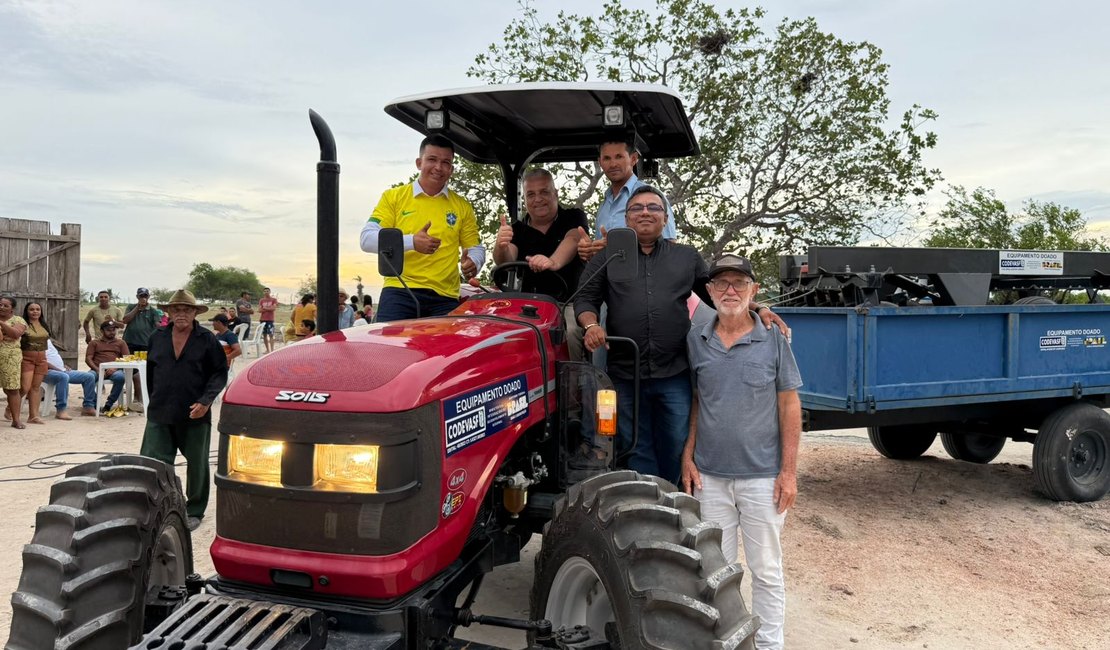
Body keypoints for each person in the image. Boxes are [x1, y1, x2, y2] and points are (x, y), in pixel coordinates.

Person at [575, 185, 783, 483]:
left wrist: (758, 308)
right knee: (634, 446)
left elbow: (718, 295)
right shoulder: (608, 256)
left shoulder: (686, 257)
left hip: (674, 373)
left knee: (677, 442)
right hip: (623, 373)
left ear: (665, 217)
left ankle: (677, 507)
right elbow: (586, 299)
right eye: (637, 208)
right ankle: (647, 509)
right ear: (626, 218)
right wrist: (591, 325)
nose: (645, 212)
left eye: (653, 207)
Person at [681, 254, 803, 650]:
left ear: (753, 291)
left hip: (762, 478)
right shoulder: (696, 339)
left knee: (766, 570)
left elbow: (789, 404)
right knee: (716, 571)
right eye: (721, 284)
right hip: (710, 477)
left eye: (739, 284)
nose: (730, 291)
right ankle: (726, 642)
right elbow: (700, 400)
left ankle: (768, 646)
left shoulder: (773, 338)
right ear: (710, 291)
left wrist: (788, 472)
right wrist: (688, 453)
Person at [360, 134, 486, 321]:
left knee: (449, 350)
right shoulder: (394, 197)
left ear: (451, 169)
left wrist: (473, 262)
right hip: (400, 291)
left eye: (446, 162)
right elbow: (366, 239)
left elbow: (475, 248)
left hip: (445, 298)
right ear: (419, 163)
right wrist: (412, 241)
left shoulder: (462, 206)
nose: (438, 167)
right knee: (389, 348)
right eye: (432, 160)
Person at [140, 289, 228, 531]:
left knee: (198, 463)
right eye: (176, 309)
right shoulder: (157, 337)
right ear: (168, 312)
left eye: (186, 310)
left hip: (194, 412)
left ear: (194, 313)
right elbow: (151, 374)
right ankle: (155, 505)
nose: (181, 314)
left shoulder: (206, 339)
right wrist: (155, 400)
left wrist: (206, 401)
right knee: (153, 462)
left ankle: (195, 510)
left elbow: (220, 372)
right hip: (160, 412)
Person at [492, 168, 589, 360]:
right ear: (524, 199)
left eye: (544, 192)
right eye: (531, 194)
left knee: (571, 332)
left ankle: (577, 383)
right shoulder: (517, 229)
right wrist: (501, 245)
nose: (538, 199)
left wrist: (553, 262)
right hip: (530, 306)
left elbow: (573, 239)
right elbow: (506, 259)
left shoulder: (573, 217)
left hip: (570, 302)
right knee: (500, 334)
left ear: (555, 193)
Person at [577, 139, 678, 263]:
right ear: (600, 162)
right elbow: (602, 257)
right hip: (609, 281)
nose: (613, 164)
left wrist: (615, 248)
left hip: (643, 281)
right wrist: (590, 251)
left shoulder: (653, 197)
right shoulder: (604, 205)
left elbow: (670, 249)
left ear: (634, 159)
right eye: (607, 158)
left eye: (619, 157)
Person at [121, 287, 163, 412]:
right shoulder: (131, 307)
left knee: (144, 370)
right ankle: (135, 397)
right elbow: (125, 320)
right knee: (131, 370)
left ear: (148, 297)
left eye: (145, 296)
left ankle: (143, 396)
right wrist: (137, 308)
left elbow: (157, 325)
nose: (143, 298)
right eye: (140, 296)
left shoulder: (153, 311)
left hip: (145, 344)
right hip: (129, 342)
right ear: (137, 297)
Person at [42, 339, 98, 417]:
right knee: (63, 377)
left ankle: (88, 406)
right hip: (46, 371)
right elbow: (40, 361)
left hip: (61, 370)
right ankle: (61, 409)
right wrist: (57, 369)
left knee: (89, 377)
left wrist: (62, 365)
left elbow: (52, 357)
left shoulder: (48, 341)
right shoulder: (35, 342)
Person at [19, 302, 51, 424]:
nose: (35, 311)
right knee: (25, 387)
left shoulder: (43, 324)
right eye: (32, 309)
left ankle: (33, 416)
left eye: (38, 309)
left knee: (36, 388)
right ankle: (10, 408)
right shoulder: (22, 324)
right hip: (27, 359)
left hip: (42, 360)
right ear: (27, 311)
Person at [86, 321, 130, 413]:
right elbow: (88, 359)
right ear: (102, 331)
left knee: (120, 377)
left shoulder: (121, 343)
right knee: (87, 378)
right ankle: (93, 403)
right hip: (96, 369)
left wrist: (115, 368)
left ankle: (109, 404)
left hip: (115, 369)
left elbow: (127, 359)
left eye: (114, 330)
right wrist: (97, 370)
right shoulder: (94, 343)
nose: (112, 332)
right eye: (108, 330)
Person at [0, 297, 27, 429]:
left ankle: (16, 420)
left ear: (12, 308)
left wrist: (2, 324)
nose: (2, 307)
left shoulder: (18, 320)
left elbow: (15, 334)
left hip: (11, 358)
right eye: (0, 305)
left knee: (12, 389)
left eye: (6, 305)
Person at [258, 287, 278, 354]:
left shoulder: (273, 300)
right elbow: (259, 310)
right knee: (264, 335)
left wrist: (265, 308)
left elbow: (274, 308)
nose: (266, 292)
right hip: (262, 319)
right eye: (265, 291)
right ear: (263, 292)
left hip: (270, 319)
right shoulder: (261, 300)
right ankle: (267, 349)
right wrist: (268, 308)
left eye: (267, 291)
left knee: (271, 334)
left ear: (270, 292)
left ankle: (272, 350)